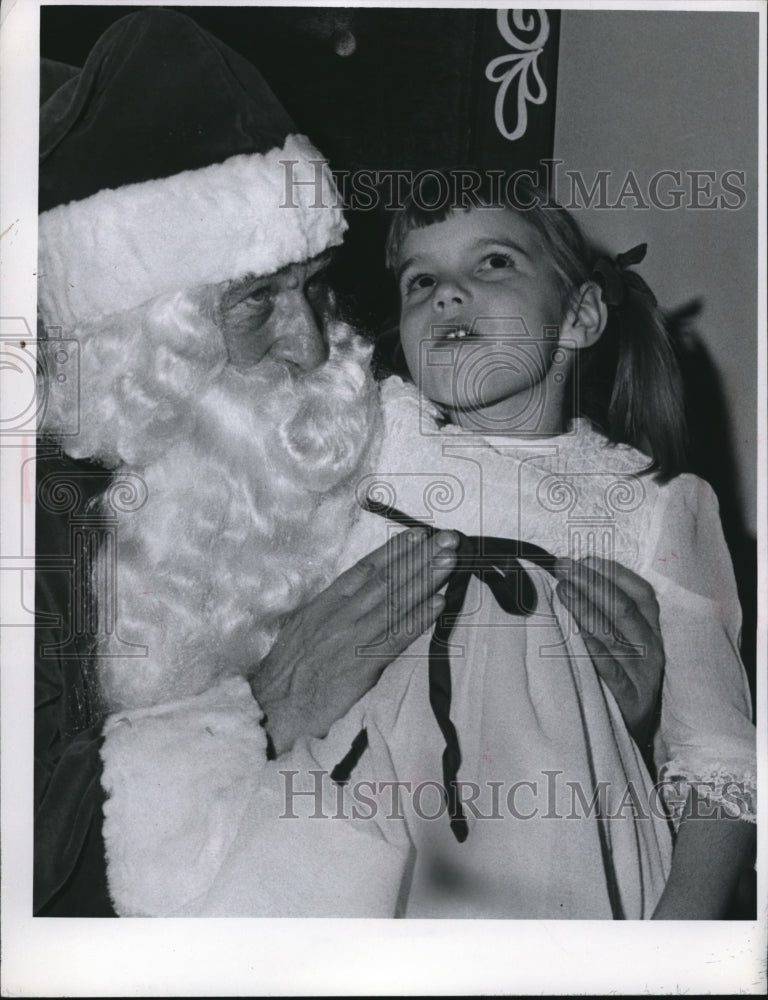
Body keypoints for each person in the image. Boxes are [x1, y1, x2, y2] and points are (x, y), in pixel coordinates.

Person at [35, 12, 668, 917]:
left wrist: (620, 712)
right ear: (143, 339)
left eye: (313, 284)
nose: (310, 343)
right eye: (258, 299)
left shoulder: (344, 438)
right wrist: (259, 711)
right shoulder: (40, 530)